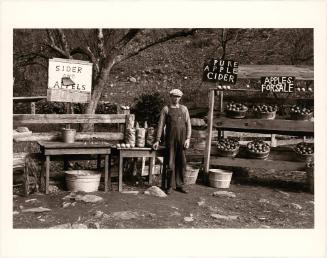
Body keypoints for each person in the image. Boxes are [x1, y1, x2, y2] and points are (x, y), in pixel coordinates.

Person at [153, 89, 192, 194]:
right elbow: (161, 125)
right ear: (170, 97)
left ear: (180, 98)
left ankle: (180, 185)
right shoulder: (166, 109)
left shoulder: (184, 109)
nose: (176, 98)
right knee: (170, 163)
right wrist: (157, 140)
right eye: (174, 96)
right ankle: (169, 186)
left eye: (178, 97)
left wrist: (188, 139)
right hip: (170, 140)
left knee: (182, 163)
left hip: (182, 140)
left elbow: (188, 124)